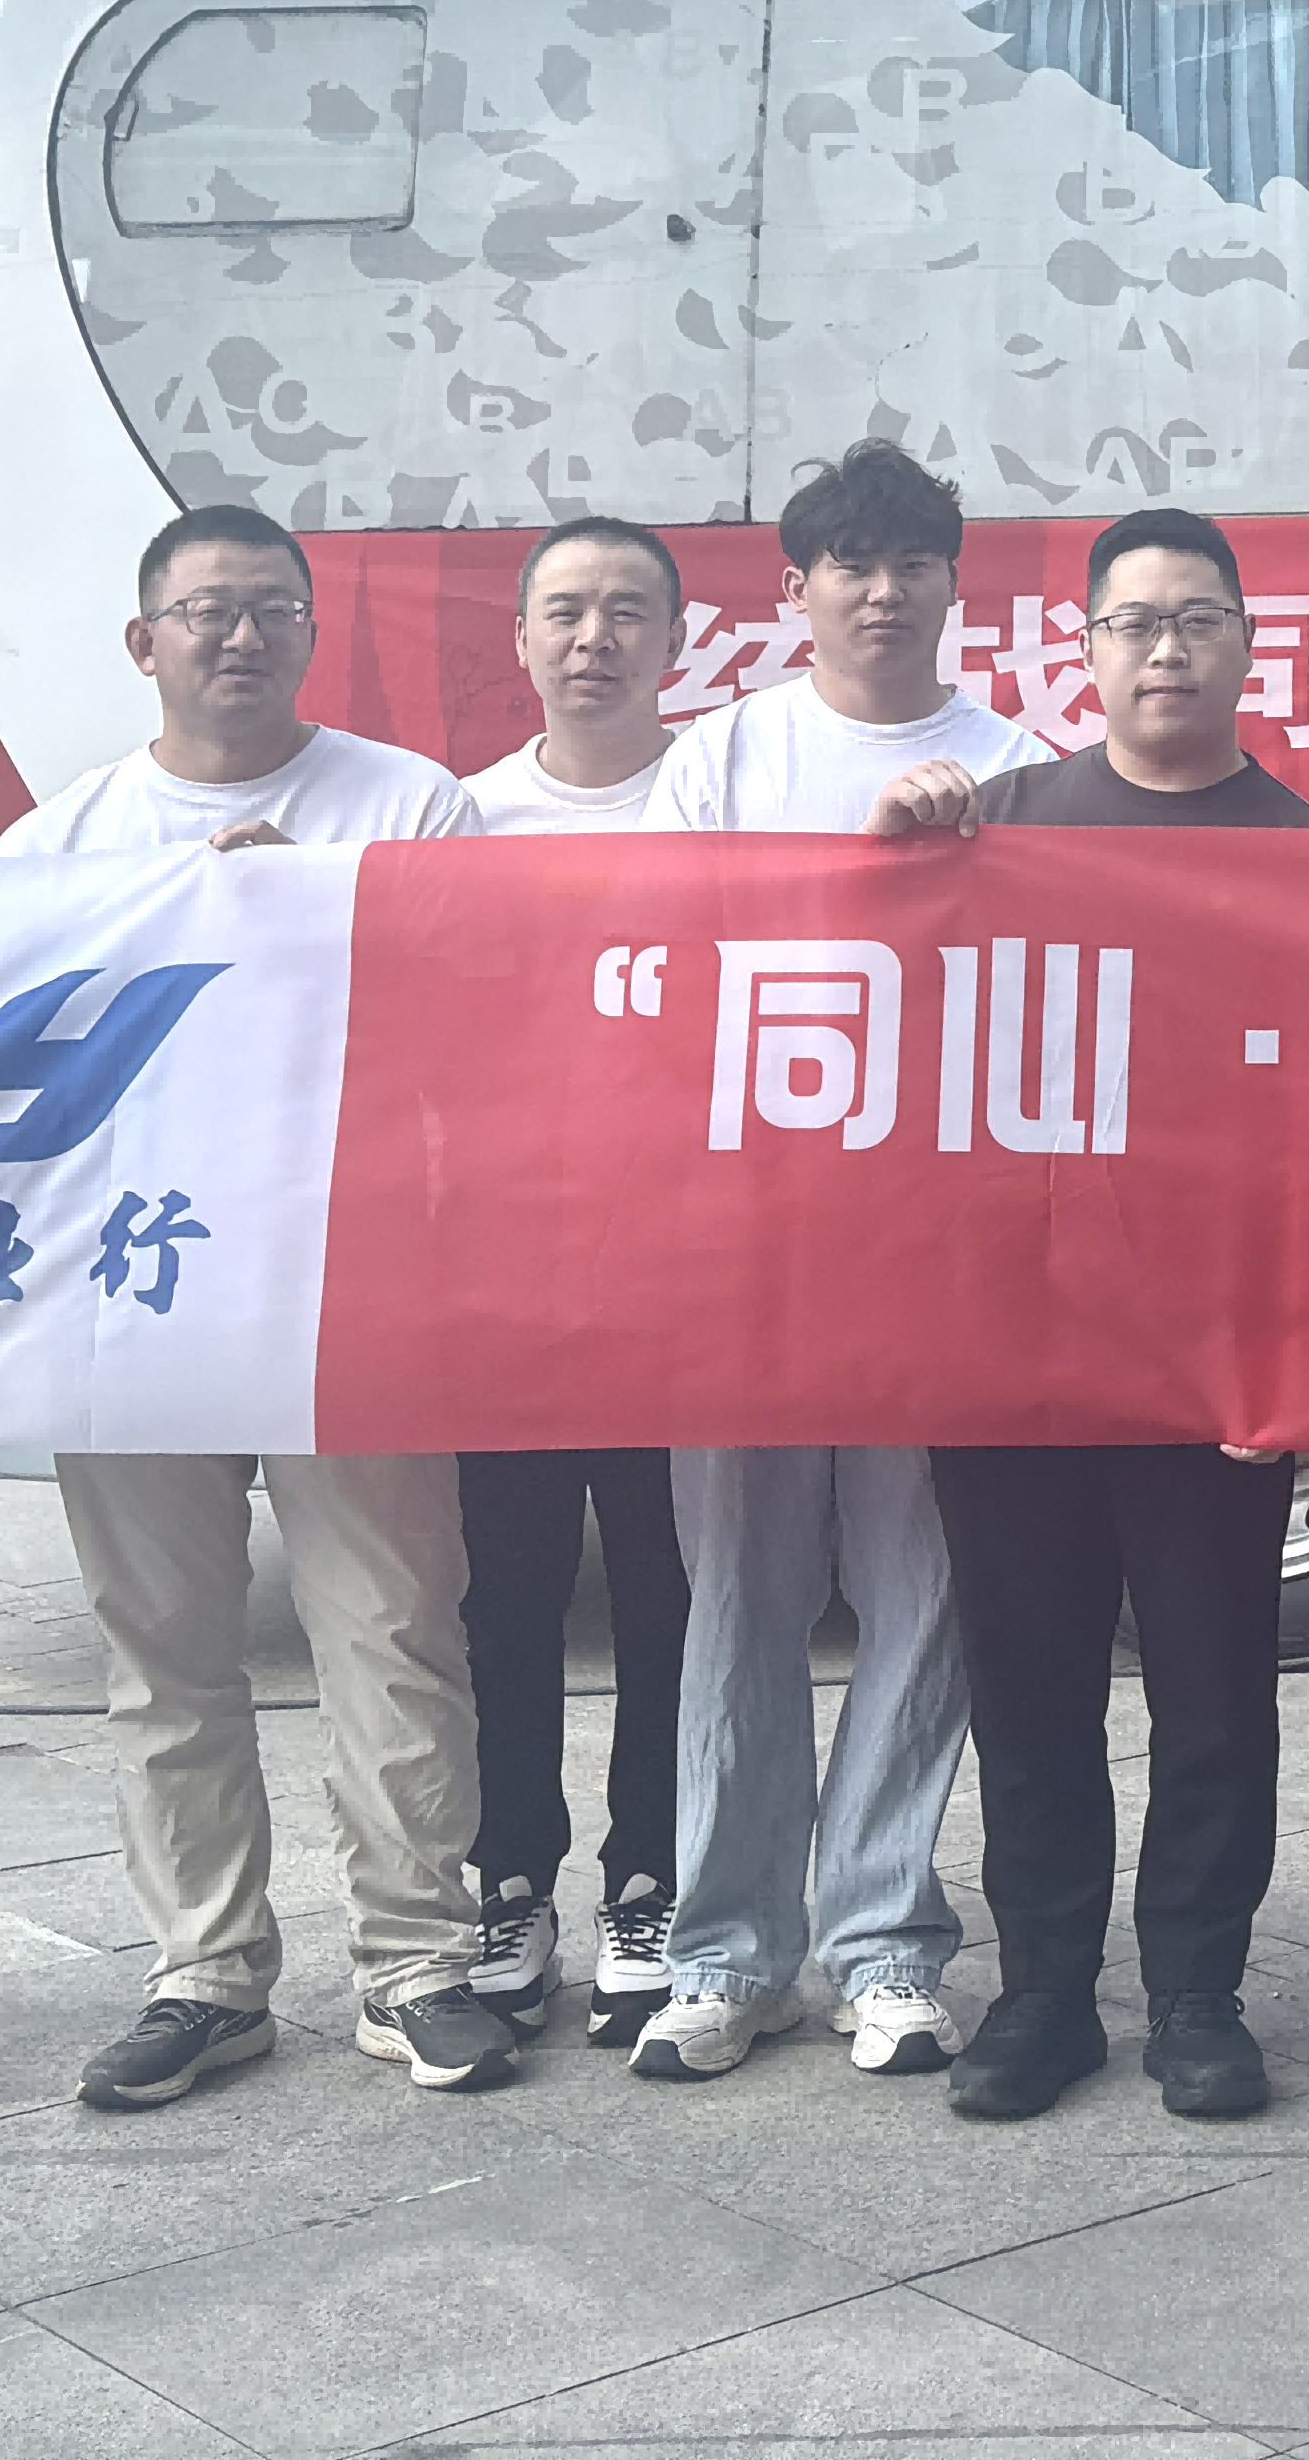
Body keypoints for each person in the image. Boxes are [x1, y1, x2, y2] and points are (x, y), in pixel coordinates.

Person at [0, 505, 518, 2107]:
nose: (238, 636)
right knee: (164, 1647)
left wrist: (332, 915)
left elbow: (490, 1027)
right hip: (132, 1289)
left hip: (347, 1283)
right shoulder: (57, 844)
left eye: (270, 609)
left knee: (391, 1626)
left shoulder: (408, 806)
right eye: (205, 610)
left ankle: (417, 1960)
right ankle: (206, 1971)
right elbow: (6, 1088)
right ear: (141, 640)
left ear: (310, 631)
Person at [627, 448, 1035, 2084]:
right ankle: (727, 1951)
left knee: (926, 1596)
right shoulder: (724, 755)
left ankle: (883, 1942)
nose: (883, 590)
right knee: (739, 1595)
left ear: (954, 585)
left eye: (912, 561)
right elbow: (659, 970)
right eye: (850, 563)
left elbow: (1050, 994)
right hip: (756, 1249)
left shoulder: (1020, 763)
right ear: (794, 591)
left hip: (948, 1254)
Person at [938, 509, 1309, 2123]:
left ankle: (1195, 1992)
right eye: (1135, 622)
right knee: (1028, 1686)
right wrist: (897, 836)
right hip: (1013, 1351)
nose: (1166, 648)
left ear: (1247, 644)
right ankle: (1042, 1991)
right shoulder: (998, 827)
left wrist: (1289, 1353)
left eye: (1197, 620)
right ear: (1087, 650)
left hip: (1209, 1362)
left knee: (1213, 1690)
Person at [448, 518, 695, 2048]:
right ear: (524, 639)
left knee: (669, 1588)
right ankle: (513, 1876)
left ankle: (650, 1873)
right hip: (507, 1269)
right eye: (566, 611)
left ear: (677, 638)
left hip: (680, 1264)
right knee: (511, 1591)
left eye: (624, 612)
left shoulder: (720, 804)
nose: (594, 638)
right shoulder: (458, 818)